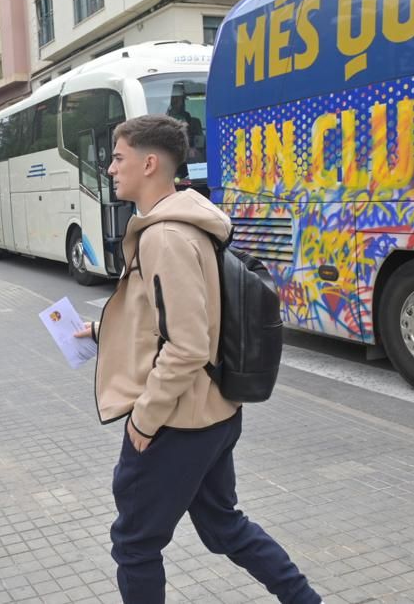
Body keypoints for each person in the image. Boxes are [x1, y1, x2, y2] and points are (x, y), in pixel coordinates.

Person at [75, 115, 321, 604]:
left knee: (135, 544)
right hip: (214, 412)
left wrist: (144, 420)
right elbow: (178, 315)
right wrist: (106, 330)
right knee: (224, 527)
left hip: (177, 423)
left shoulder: (164, 236)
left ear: (149, 163)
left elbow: (187, 345)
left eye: (118, 158)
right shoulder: (187, 222)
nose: (110, 168)